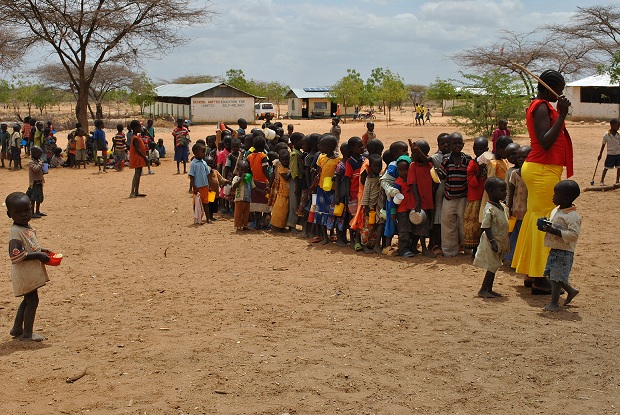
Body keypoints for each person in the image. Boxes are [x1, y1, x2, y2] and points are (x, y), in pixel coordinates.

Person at [512, 69, 573, 294]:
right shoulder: (541, 107)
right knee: (545, 219)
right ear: (550, 87)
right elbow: (545, 141)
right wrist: (563, 114)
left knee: (536, 216)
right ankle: (540, 278)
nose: (561, 94)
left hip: (543, 168)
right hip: (542, 168)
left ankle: (531, 273)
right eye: (559, 89)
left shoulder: (542, 106)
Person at [6, 191, 53, 341]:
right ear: (10, 214)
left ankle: (17, 328)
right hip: (24, 273)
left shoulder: (25, 227)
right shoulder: (15, 233)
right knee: (32, 300)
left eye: (27, 210)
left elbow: (29, 246)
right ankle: (27, 333)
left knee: (28, 300)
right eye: (18, 212)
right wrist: (38, 255)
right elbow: (16, 256)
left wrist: (41, 250)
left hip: (28, 272)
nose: (24, 214)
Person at [539, 180, 581, 311]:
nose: (553, 197)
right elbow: (553, 223)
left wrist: (556, 231)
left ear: (566, 198)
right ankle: (571, 290)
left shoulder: (573, 216)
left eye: (556, 194)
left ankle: (554, 303)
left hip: (564, 251)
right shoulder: (557, 210)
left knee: (556, 279)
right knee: (553, 275)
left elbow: (573, 235)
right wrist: (545, 224)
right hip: (555, 249)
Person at [473, 177, 510, 298]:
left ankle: (489, 289)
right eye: (502, 190)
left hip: (501, 240)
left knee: (495, 265)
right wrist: (492, 241)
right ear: (491, 191)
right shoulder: (489, 209)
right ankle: (483, 289)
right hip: (492, 241)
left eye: (505, 190)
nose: (505, 193)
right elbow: (485, 226)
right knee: (492, 266)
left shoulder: (502, 206)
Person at [437, 132, 471, 257]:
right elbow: (442, 176)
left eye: (459, 143)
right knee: (448, 226)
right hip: (449, 198)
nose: (457, 145)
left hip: (463, 197)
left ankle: (468, 249)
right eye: (454, 143)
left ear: (463, 144)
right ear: (450, 145)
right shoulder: (446, 160)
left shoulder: (467, 160)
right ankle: (449, 251)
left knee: (464, 226)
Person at [408, 140, 436, 257]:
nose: (412, 156)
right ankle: (424, 248)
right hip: (419, 201)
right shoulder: (413, 166)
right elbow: (413, 184)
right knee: (421, 225)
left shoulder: (429, 165)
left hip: (428, 200)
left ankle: (414, 246)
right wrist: (418, 200)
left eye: (414, 153)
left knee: (425, 224)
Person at [313, 135, 341, 244]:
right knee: (321, 212)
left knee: (331, 212)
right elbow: (319, 171)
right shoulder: (321, 158)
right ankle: (324, 236)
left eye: (322, 145)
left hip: (332, 190)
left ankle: (332, 233)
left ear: (328, 147)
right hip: (321, 189)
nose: (319, 147)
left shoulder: (338, 160)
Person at [506, 145, 531, 263]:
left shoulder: (532, 174)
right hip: (516, 210)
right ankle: (511, 259)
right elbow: (511, 192)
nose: (521, 159)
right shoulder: (515, 174)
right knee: (513, 236)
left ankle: (522, 261)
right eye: (519, 157)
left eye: (524, 157)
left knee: (523, 237)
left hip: (527, 212)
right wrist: (509, 207)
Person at [464, 137, 488, 255]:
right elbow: (471, 181)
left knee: (484, 224)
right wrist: (479, 171)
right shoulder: (472, 164)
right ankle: (474, 250)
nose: (479, 151)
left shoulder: (489, 163)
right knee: (473, 225)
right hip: (474, 199)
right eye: (476, 149)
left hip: (485, 198)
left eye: (482, 149)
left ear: (487, 150)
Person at [430, 133, 450, 254]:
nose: (446, 145)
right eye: (442, 143)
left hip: (452, 189)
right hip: (441, 189)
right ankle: (435, 243)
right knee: (438, 216)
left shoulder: (455, 156)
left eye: (448, 143)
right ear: (438, 145)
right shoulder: (436, 157)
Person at [359, 153, 384, 254]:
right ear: (370, 167)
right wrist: (366, 208)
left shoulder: (381, 177)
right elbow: (366, 194)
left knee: (377, 226)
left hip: (378, 206)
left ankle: (374, 244)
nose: (378, 168)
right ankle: (364, 245)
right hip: (370, 207)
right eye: (375, 166)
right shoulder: (369, 180)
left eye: (380, 166)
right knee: (368, 228)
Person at [344, 136, 365, 249]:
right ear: (352, 148)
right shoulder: (350, 162)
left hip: (362, 193)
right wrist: (347, 194)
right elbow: (348, 179)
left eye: (362, 145)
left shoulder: (364, 159)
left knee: (360, 216)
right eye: (360, 146)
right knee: (353, 217)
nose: (362, 147)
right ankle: (353, 239)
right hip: (353, 193)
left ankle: (359, 239)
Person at [247, 136, 271, 229]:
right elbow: (265, 169)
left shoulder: (250, 156)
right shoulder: (263, 156)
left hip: (254, 182)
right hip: (263, 182)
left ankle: (257, 223)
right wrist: (270, 180)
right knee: (265, 203)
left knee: (256, 204)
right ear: (264, 146)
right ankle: (263, 221)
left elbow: (248, 168)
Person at [394, 156, 415, 256]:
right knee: (404, 231)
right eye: (400, 170)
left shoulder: (412, 180)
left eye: (406, 170)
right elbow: (393, 200)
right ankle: (404, 249)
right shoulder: (397, 183)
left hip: (412, 209)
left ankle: (411, 247)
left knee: (412, 229)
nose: (403, 172)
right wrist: (393, 212)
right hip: (402, 211)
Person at [270, 149, 292, 231]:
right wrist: (292, 170)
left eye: (287, 159)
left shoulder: (287, 167)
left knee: (285, 210)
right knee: (280, 210)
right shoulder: (280, 168)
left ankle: (282, 226)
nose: (285, 161)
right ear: (280, 160)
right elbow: (286, 178)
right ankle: (276, 226)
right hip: (282, 192)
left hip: (288, 192)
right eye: (283, 159)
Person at [231, 160, 255, 231]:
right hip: (239, 199)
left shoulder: (249, 179)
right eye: (242, 170)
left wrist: (261, 191)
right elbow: (234, 186)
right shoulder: (236, 178)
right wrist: (241, 179)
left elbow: (253, 187)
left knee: (246, 214)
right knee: (238, 213)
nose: (243, 172)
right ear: (238, 170)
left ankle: (245, 225)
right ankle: (238, 226)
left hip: (247, 199)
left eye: (245, 170)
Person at [128, 120, 148, 198]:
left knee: (138, 174)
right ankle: (132, 192)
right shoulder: (135, 138)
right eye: (139, 127)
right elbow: (137, 149)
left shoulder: (137, 136)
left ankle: (136, 191)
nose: (140, 128)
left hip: (139, 158)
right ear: (136, 128)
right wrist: (144, 157)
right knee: (136, 175)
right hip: (137, 158)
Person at [597, 118, 620, 186]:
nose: (618, 128)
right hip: (610, 154)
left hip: (618, 153)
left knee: (619, 167)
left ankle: (617, 181)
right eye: (617, 126)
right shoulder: (606, 135)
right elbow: (603, 145)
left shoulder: (618, 135)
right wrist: (600, 154)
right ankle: (602, 180)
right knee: (606, 168)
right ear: (612, 125)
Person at [206, 156, 228, 221]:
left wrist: (226, 181)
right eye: (208, 164)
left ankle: (211, 216)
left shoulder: (215, 172)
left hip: (216, 192)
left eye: (211, 163)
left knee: (214, 204)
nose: (210, 165)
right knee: (210, 204)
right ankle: (209, 216)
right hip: (210, 192)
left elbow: (221, 178)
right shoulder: (205, 173)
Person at [26, 146, 46, 218]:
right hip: (34, 183)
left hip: (39, 182)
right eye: (39, 154)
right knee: (33, 198)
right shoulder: (31, 162)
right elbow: (35, 169)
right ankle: (32, 212)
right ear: (34, 154)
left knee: (39, 198)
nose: (40, 156)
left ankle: (37, 211)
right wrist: (40, 164)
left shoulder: (37, 161)